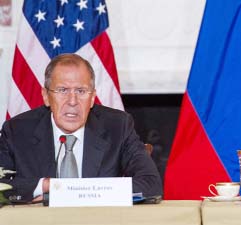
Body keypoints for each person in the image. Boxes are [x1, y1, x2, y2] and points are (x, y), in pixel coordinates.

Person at [0, 53, 162, 202]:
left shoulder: (118, 126)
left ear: (92, 98)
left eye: (81, 91)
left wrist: (80, 192)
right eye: (62, 90)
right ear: (46, 96)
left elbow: (151, 184)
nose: (72, 101)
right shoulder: (17, 130)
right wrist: (46, 185)